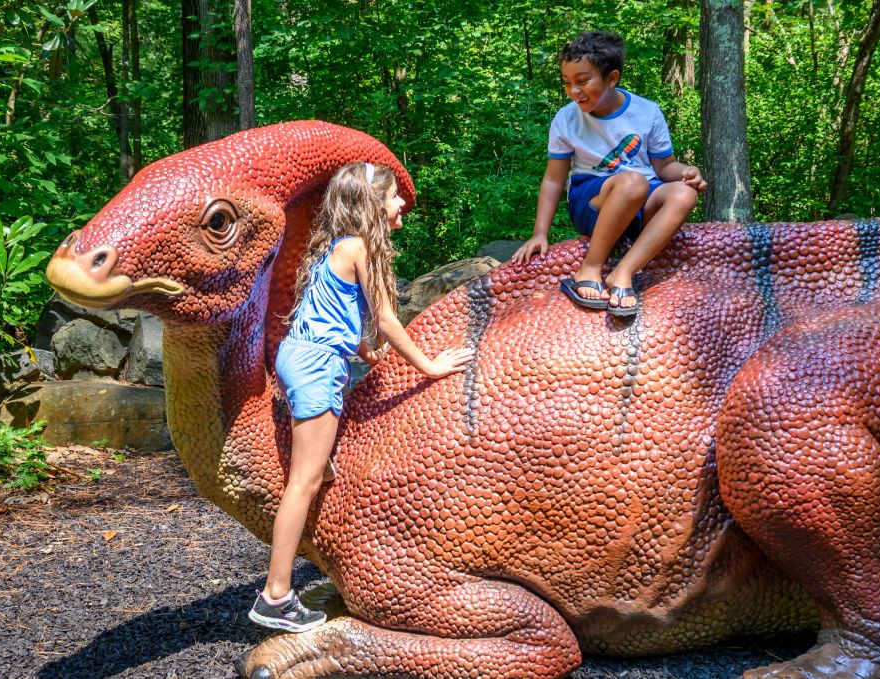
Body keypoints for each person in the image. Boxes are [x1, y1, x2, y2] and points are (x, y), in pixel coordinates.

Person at [249, 161, 474, 632]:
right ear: (373, 203)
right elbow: (389, 318)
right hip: (316, 366)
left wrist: (362, 348)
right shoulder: (360, 247)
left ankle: (317, 560)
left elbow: (328, 310)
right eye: (394, 197)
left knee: (319, 472)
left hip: (301, 356)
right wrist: (430, 366)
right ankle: (275, 596)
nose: (400, 206)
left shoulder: (334, 246)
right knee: (303, 483)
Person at [511, 30, 707, 317]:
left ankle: (623, 272)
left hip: (642, 198)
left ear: (611, 78)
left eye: (582, 81)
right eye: (567, 83)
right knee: (632, 182)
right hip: (593, 199)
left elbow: (664, 167)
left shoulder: (647, 112)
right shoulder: (566, 119)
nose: (573, 91)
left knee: (682, 192)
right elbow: (554, 179)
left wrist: (687, 173)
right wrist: (540, 233)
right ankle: (589, 267)